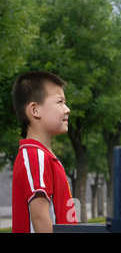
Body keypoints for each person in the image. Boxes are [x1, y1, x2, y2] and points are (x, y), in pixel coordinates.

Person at [12, 70, 77, 233]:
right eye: (60, 102)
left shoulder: (45, 156)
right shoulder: (35, 156)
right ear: (35, 110)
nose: (67, 109)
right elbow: (40, 218)